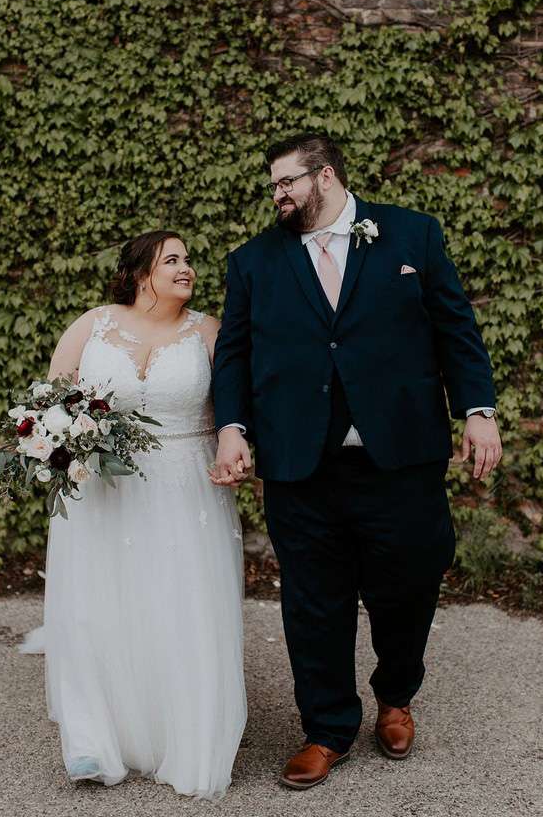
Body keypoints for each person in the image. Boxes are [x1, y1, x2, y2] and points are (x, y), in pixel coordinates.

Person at [210, 133, 501, 790]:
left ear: (327, 176)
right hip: (299, 465)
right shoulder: (253, 261)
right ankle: (327, 729)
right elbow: (233, 354)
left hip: (401, 458)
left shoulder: (411, 235)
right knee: (314, 603)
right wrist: (232, 427)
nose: (278, 194)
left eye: (288, 181)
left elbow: (456, 327)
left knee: (413, 580)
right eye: (273, 186)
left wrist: (477, 410)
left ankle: (396, 694)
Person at [19, 231, 246, 799]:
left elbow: (237, 409)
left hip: (186, 488)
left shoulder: (210, 332)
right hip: (102, 492)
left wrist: (235, 445)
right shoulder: (93, 324)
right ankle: (94, 741)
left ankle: (182, 736)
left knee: (180, 605)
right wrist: (59, 442)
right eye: (174, 259)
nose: (187, 268)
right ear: (143, 272)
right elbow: (50, 400)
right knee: (97, 606)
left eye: (188, 260)